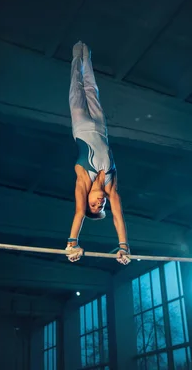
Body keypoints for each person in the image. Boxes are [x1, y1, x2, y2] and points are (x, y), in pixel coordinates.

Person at [65, 41, 130, 265]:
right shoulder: (111, 186)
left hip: (81, 125)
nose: (100, 203)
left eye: (94, 205)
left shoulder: (83, 179)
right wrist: (124, 247)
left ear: (87, 200)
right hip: (101, 127)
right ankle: (87, 58)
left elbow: (79, 212)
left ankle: (75, 57)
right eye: (101, 206)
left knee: (76, 87)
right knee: (92, 89)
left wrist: (72, 243)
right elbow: (118, 216)